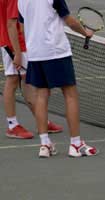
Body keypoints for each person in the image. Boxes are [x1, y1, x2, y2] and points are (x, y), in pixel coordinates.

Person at [18, 0, 98, 158]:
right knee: (70, 94)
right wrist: (85, 33)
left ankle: (44, 144)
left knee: (41, 95)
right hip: (55, 52)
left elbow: (21, 26)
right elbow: (69, 21)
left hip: (35, 53)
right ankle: (76, 144)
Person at [0, 0, 63, 139]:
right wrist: (16, 52)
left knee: (26, 81)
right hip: (14, 45)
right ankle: (13, 125)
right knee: (13, 80)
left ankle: (42, 121)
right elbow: (11, 24)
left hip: (20, 43)